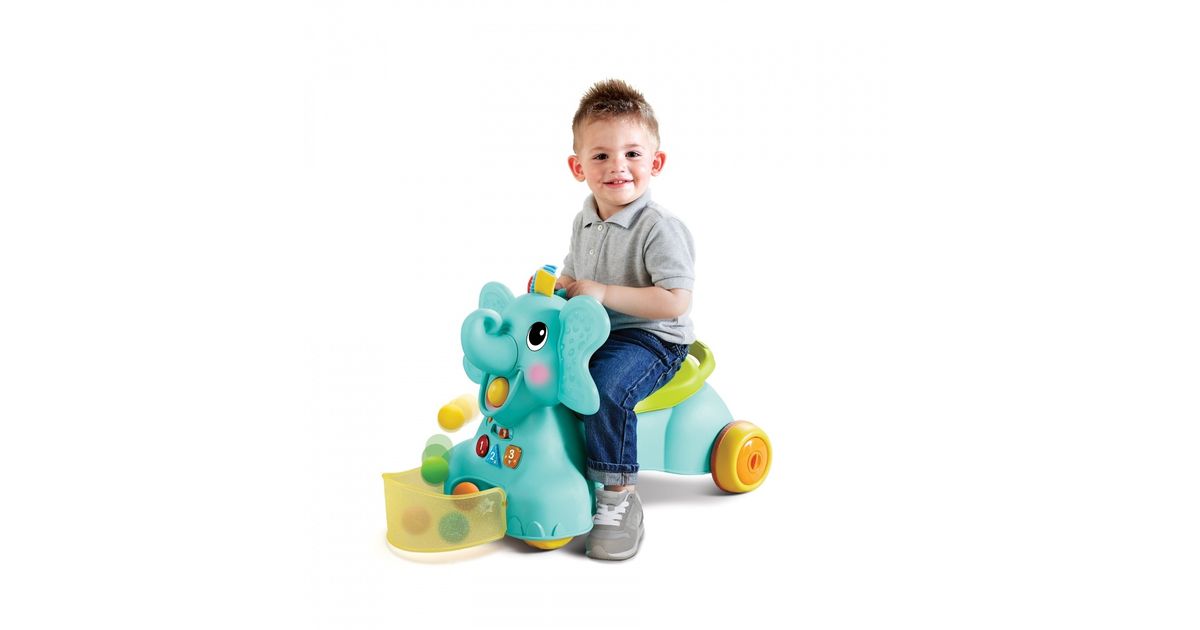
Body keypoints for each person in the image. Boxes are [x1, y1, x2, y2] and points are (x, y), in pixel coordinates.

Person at [555, 79, 696, 560]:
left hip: (653, 339)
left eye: (632, 153)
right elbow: (575, 272)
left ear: (656, 162)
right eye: (601, 155)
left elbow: (675, 301)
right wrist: (558, 285)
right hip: (598, 332)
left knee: (603, 387)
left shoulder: (659, 227)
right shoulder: (584, 219)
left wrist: (603, 292)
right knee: (545, 372)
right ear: (578, 167)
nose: (618, 166)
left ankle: (619, 495)